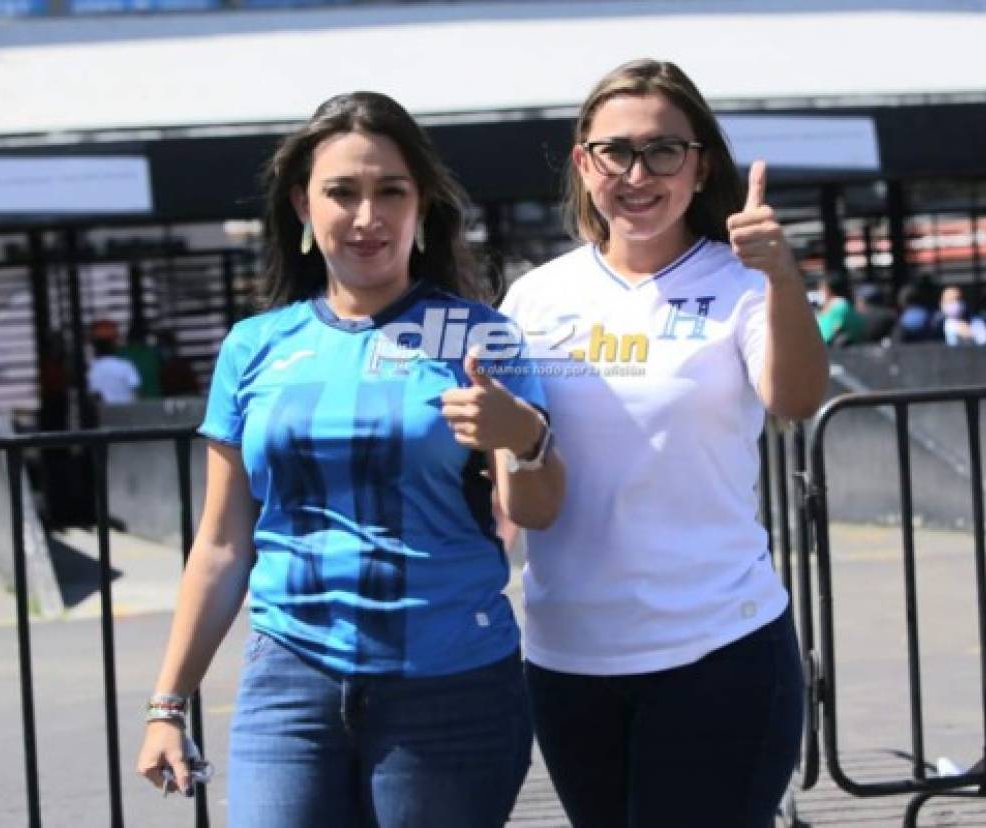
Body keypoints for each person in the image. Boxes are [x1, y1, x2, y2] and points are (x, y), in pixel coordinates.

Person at [135, 91, 565, 828]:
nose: (367, 217)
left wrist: (523, 437)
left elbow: (536, 510)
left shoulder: (476, 337)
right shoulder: (253, 345)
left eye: (390, 191)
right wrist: (167, 704)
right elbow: (221, 542)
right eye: (342, 192)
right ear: (304, 206)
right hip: (289, 682)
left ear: (422, 204)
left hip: (450, 686)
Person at [499, 59, 828, 827]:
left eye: (663, 151)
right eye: (615, 151)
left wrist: (783, 276)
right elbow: (519, 488)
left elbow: (797, 398)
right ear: (584, 164)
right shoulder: (533, 298)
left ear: (699, 163)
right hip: (569, 656)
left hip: (720, 646)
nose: (637, 173)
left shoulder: (743, 281)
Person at [86, 319, 140, 405]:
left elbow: (93, 396)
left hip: (104, 415)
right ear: (114, 344)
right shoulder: (126, 366)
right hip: (126, 414)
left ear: (95, 346)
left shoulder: (92, 368)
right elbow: (135, 393)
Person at [815, 272, 865, 347]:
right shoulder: (825, 307)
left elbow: (829, 334)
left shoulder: (840, 305)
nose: (819, 292)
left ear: (829, 290)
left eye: (821, 288)